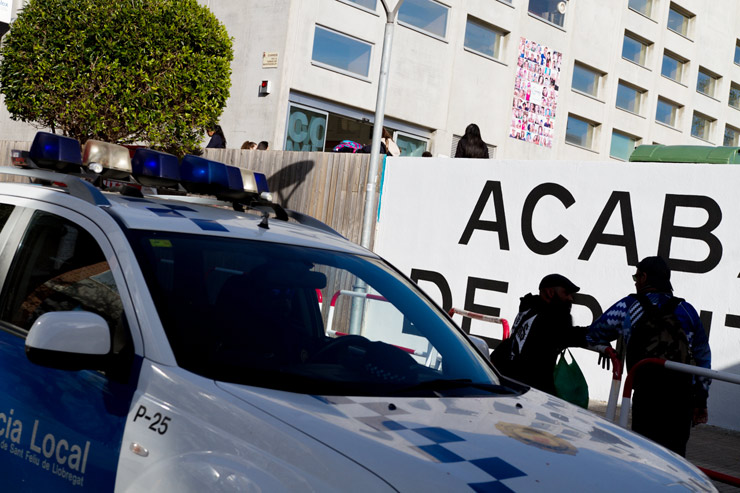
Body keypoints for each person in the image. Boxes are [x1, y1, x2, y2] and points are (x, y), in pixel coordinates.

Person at [586, 256, 711, 457]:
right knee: (675, 459)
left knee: (646, 455)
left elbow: (593, 333)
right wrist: (701, 400)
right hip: (681, 398)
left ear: (644, 277)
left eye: (636, 277)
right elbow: (703, 358)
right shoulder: (687, 311)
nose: (635, 282)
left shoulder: (629, 306)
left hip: (647, 395)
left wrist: (607, 348)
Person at [491, 274, 586, 395]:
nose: (570, 298)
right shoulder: (553, 317)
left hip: (508, 382)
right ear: (550, 292)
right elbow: (572, 336)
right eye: (566, 293)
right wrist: (600, 335)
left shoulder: (529, 307)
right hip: (530, 391)